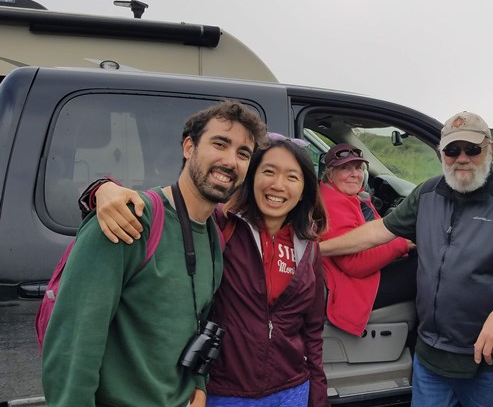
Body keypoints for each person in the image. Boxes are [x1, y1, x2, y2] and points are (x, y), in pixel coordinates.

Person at [41, 100, 266, 406]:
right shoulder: (129, 220)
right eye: (220, 144)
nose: (230, 161)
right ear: (189, 147)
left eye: (243, 153)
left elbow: (199, 321)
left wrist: (198, 384)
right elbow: (72, 346)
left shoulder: (213, 232)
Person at [320, 111, 493, 406]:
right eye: (452, 150)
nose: (462, 158)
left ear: (489, 148)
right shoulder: (427, 193)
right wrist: (319, 250)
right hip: (429, 358)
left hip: (486, 363)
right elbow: (376, 232)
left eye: (472, 149)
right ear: (442, 153)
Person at [89, 134, 330, 406]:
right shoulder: (218, 225)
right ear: (250, 179)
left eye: (292, 177)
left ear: (303, 191)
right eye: (268, 172)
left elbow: (312, 330)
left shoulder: (308, 246)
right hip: (223, 393)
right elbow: (172, 205)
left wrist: (318, 394)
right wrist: (102, 188)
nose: (278, 185)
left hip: (291, 391)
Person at [319, 143, 413, 336]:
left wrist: (403, 243)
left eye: (358, 168)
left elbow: (380, 231)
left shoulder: (350, 196)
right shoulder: (331, 203)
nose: (354, 174)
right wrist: (404, 243)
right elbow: (355, 263)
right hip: (352, 287)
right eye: (345, 168)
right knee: (428, 266)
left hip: (362, 276)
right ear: (329, 174)